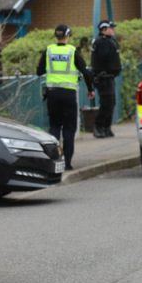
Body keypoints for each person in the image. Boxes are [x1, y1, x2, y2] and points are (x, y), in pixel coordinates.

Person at [37, 24, 94, 170]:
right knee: (69, 129)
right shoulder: (72, 51)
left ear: (56, 36)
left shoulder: (48, 50)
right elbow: (86, 73)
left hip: (52, 94)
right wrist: (90, 89)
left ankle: (55, 160)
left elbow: (39, 71)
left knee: (55, 127)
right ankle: (67, 163)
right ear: (67, 36)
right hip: (68, 94)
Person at [90, 19, 121, 138]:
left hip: (109, 77)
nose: (113, 30)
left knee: (111, 103)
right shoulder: (101, 42)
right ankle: (98, 127)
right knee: (106, 103)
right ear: (103, 30)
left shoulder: (109, 41)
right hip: (103, 78)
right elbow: (103, 59)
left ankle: (106, 127)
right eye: (111, 28)